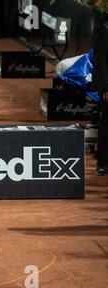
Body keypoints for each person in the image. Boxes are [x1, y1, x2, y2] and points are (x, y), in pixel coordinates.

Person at [93, 9, 108, 176]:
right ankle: (103, 163)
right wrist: (106, 88)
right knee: (106, 122)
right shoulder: (104, 27)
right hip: (107, 85)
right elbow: (101, 60)